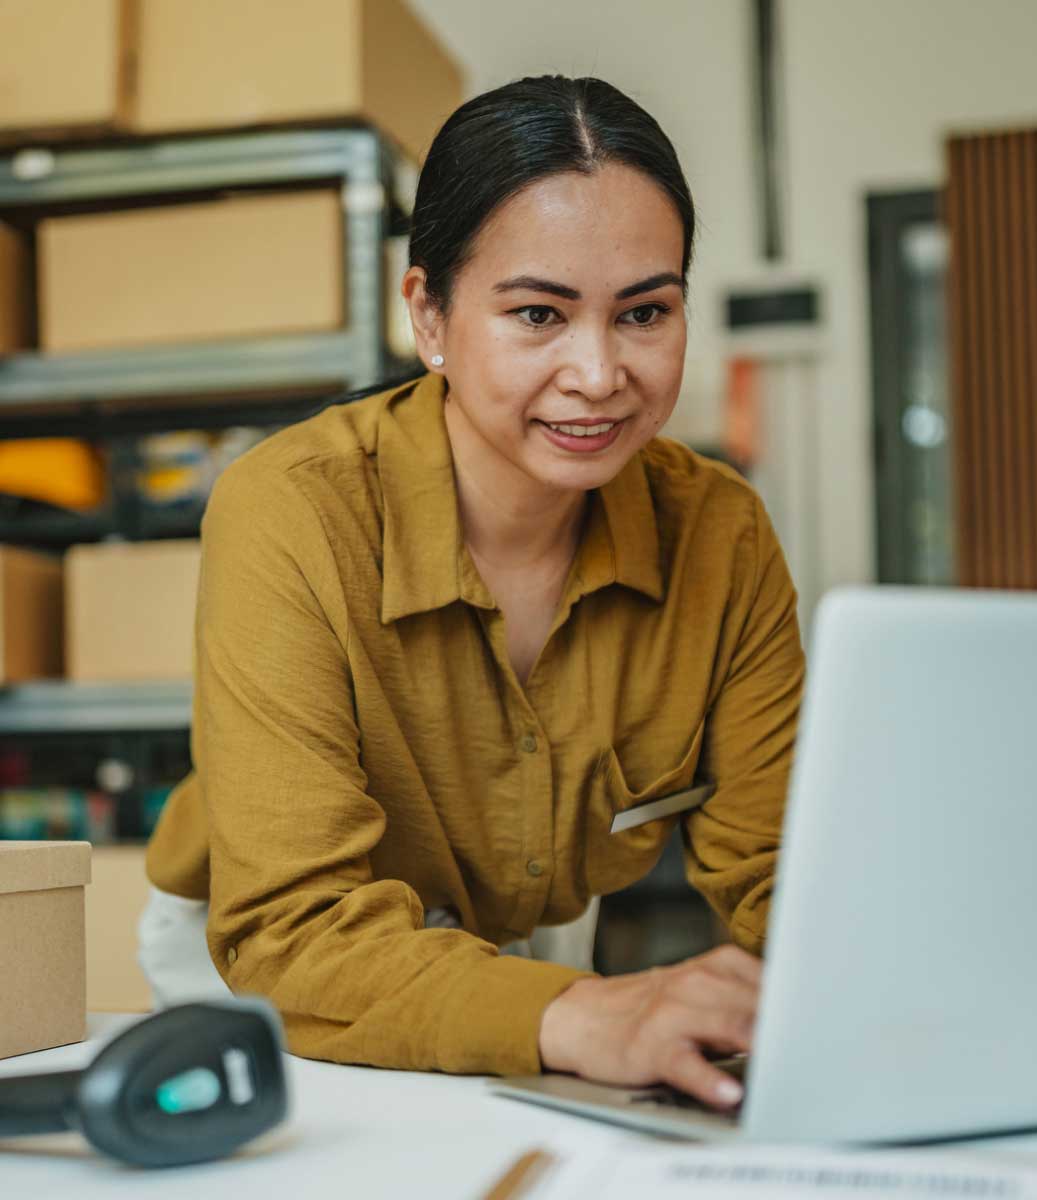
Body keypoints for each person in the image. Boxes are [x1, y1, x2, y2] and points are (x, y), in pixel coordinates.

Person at [139, 74, 804, 1111]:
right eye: (539, 312)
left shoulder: (722, 533)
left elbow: (778, 872)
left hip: (538, 960)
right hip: (283, 969)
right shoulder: (294, 510)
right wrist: (579, 1014)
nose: (597, 372)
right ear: (430, 315)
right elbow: (296, 926)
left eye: (644, 312)